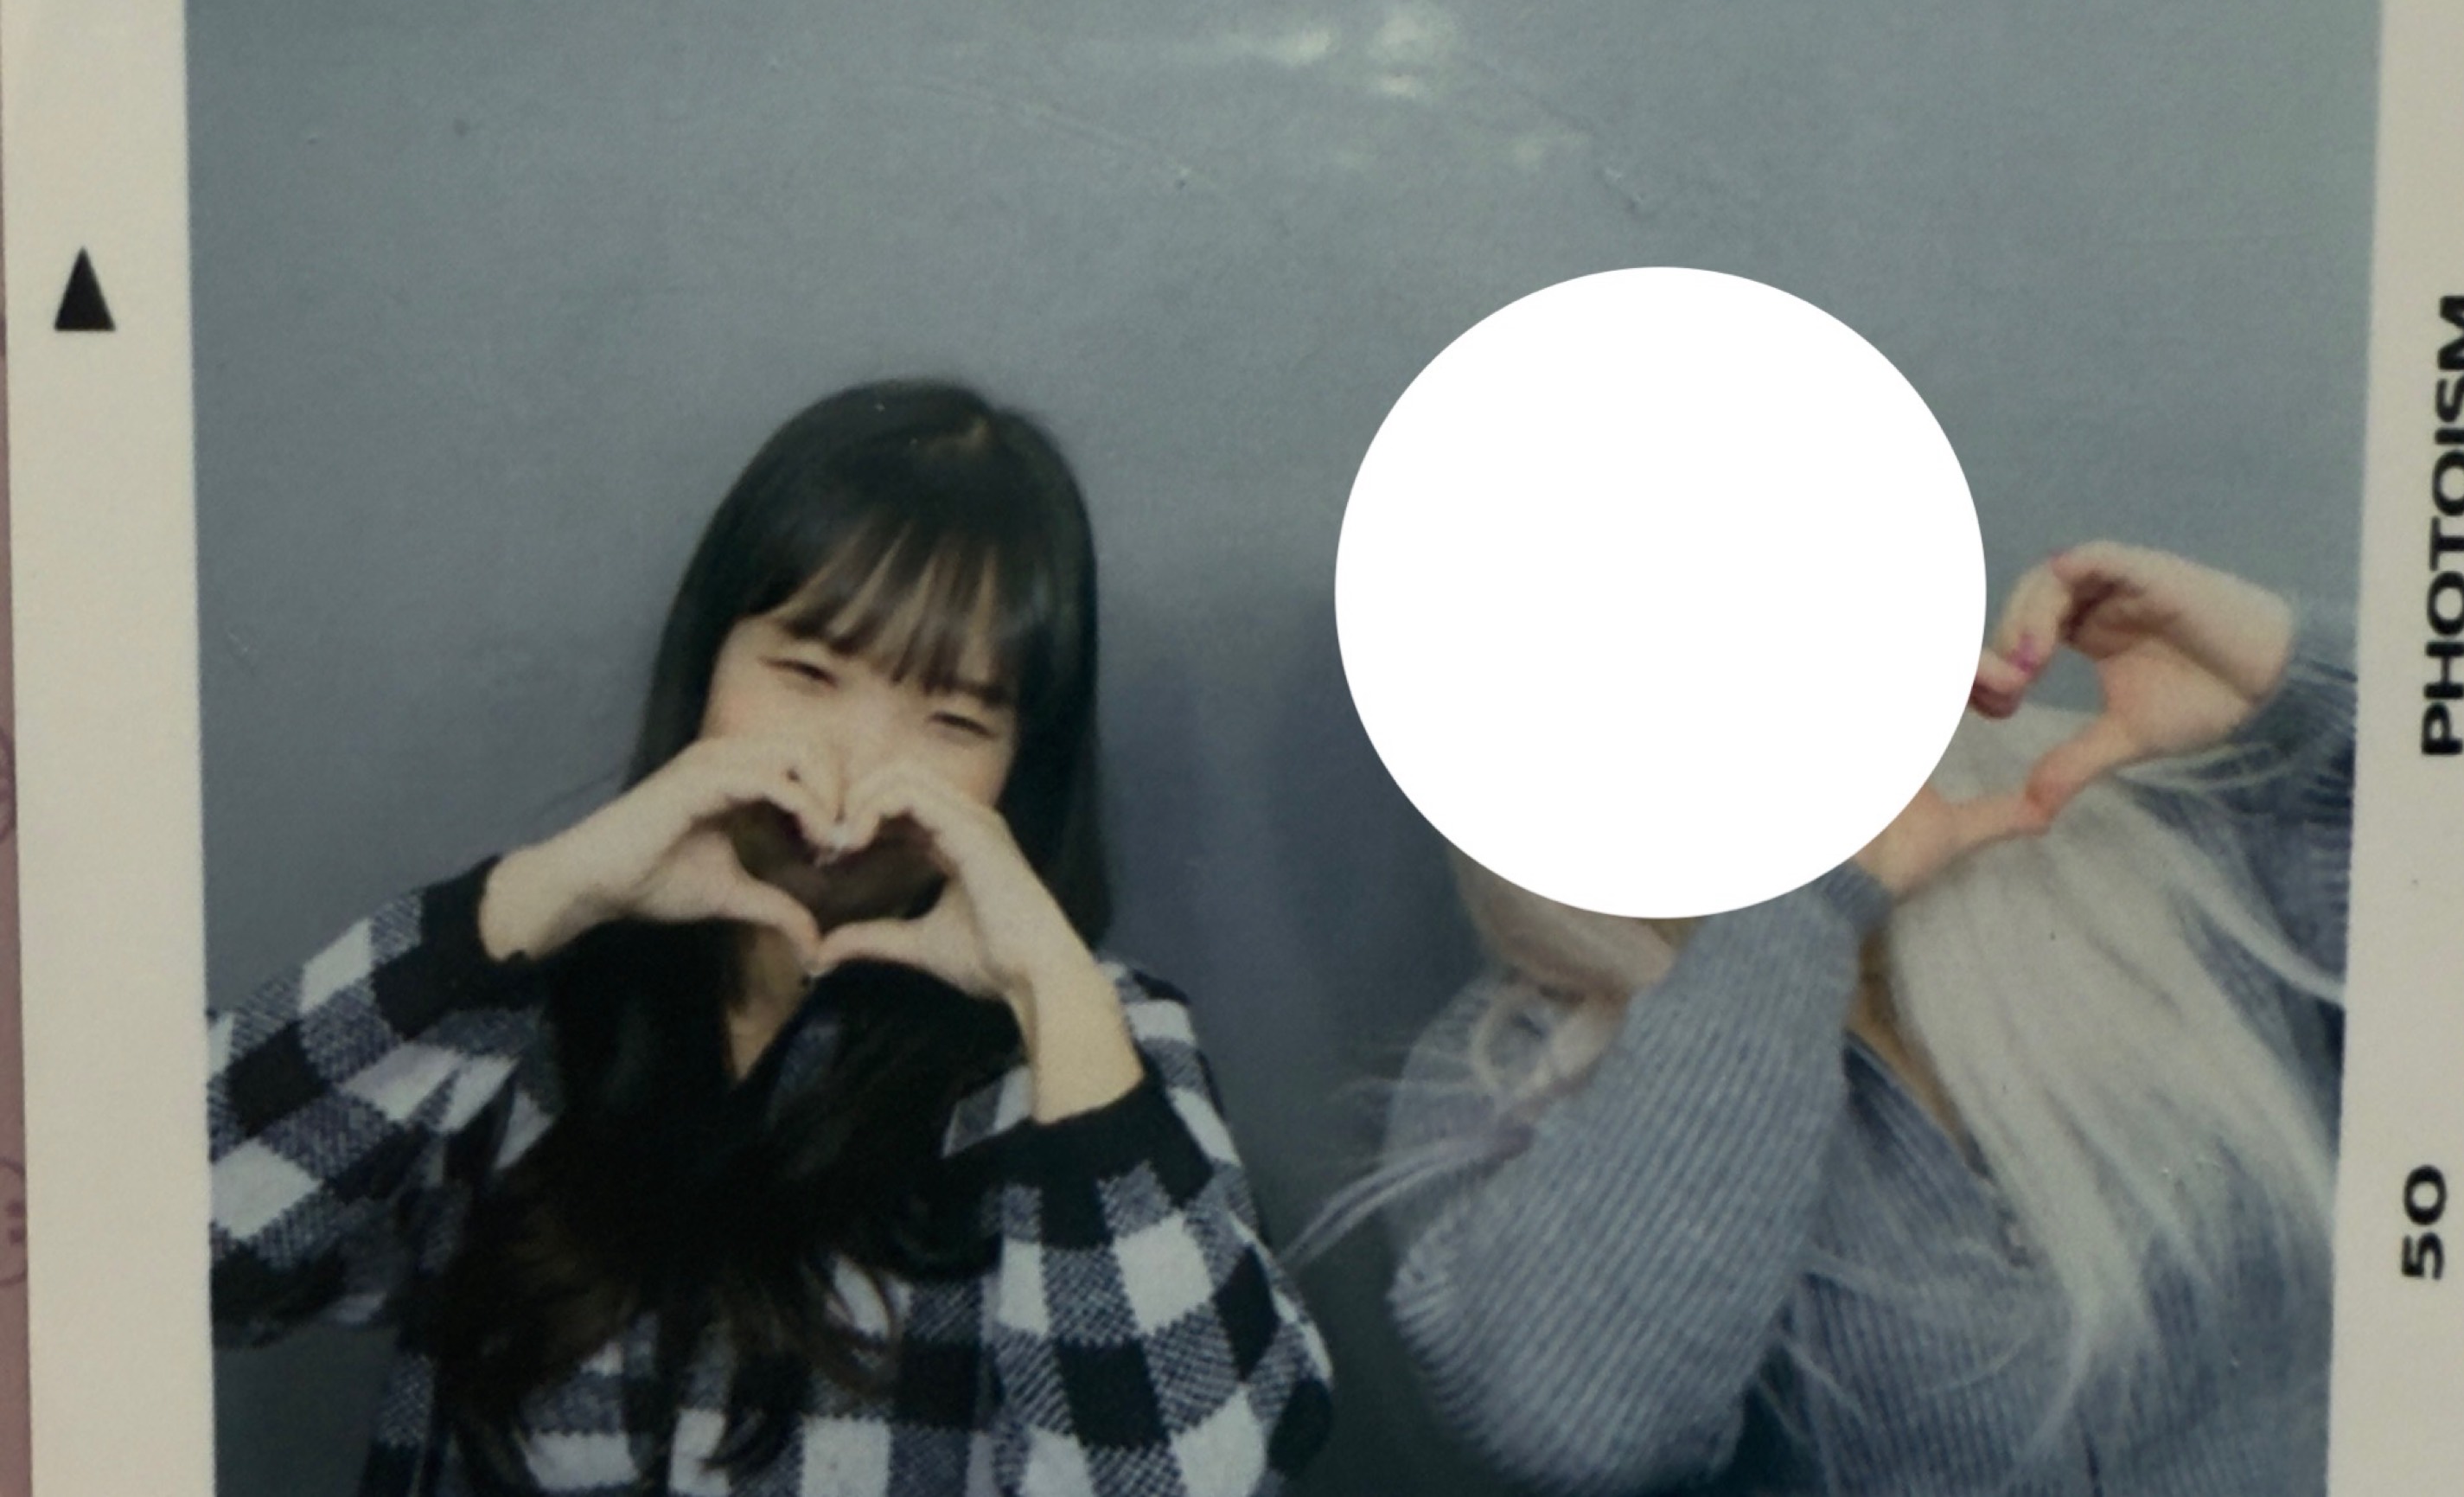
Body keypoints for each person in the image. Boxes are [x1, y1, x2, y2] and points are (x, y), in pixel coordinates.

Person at [208, 381, 1335, 1497]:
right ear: (708, 658)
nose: (851, 771)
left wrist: (1050, 989)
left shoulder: (1090, 1051)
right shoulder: (516, 1006)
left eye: (952, 720)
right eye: (806, 674)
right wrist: (542, 897)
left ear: (1020, 769)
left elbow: (1189, 1480)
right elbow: (169, 1238)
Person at [1360, 542, 2349, 1495]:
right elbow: (1576, 1422)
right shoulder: (1510, 1070)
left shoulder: (2129, 836)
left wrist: (2298, 694)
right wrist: (1804, 902)